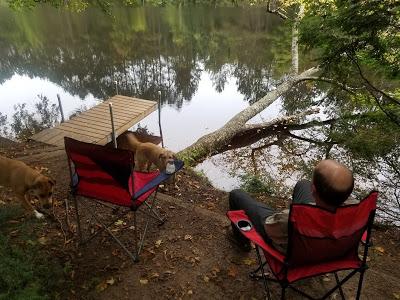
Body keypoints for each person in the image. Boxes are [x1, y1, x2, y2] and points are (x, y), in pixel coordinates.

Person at [229, 159, 355, 252]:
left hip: (296, 250)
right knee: (302, 184)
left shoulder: (289, 219)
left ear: (314, 190)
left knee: (236, 195)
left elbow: (269, 228)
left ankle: (242, 244)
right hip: (329, 251)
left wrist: (285, 215)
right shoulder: (356, 210)